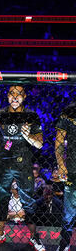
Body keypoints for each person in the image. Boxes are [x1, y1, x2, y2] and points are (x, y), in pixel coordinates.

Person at [0, 85, 45, 251]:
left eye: (19, 94)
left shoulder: (31, 115)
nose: (15, 97)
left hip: (23, 164)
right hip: (4, 164)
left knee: (28, 203)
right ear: (7, 96)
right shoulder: (0, 114)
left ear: (24, 97)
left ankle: (34, 237)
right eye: (12, 93)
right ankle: (0, 233)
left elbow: (40, 144)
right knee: (2, 201)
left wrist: (28, 136)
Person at [55, 102, 76, 251]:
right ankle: (65, 242)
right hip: (73, 169)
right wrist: (61, 164)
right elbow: (59, 141)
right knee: (69, 211)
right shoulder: (69, 111)